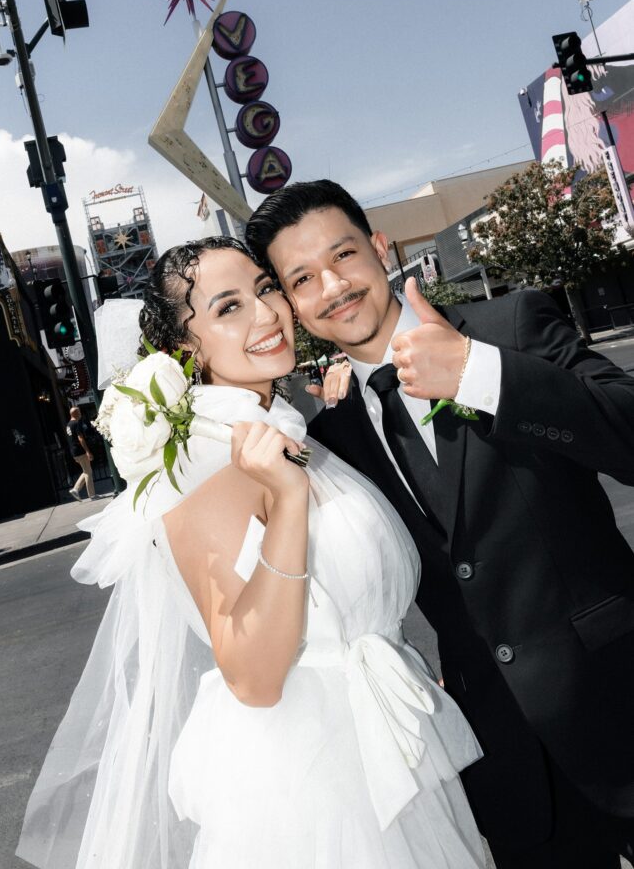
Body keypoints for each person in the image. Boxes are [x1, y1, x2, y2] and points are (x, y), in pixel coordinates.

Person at [17, 236, 485, 869]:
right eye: (228, 307)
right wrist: (288, 504)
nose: (267, 314)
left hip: (385, 747)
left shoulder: (285, 431)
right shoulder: (209, 461)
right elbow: (252, 677)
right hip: (317, 785)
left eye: (266, 290)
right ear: (187, 348)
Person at [245, 179, 634, 869]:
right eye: (302, 278)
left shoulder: (506, 328)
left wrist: (482, 375)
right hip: (507, 769)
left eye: (343, 255)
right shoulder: (330, 442)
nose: (332, 286)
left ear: (381, 247)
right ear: (289, 303)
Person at [65, 406, 95, 502]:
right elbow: (80, 438)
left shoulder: (68, 425)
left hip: (74, 452)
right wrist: (87, 451)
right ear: (75, 413)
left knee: (86, 471)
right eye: (79, 412)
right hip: (80, 450)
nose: (80, 413)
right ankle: (92, 495)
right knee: (88, 472)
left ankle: (75, 489)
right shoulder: (76, 423)